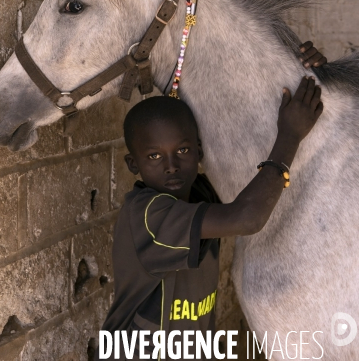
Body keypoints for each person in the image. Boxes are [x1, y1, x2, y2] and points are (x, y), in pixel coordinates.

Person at [97, 43, 325, 360]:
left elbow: (260, 186)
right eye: (154, 156)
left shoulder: (201, 191)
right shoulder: (147, 216)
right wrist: (289, 136)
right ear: (133, 165)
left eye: (183, 151)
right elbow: (248, 217)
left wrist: (304, 76)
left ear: (200, 151)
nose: (171, 165)